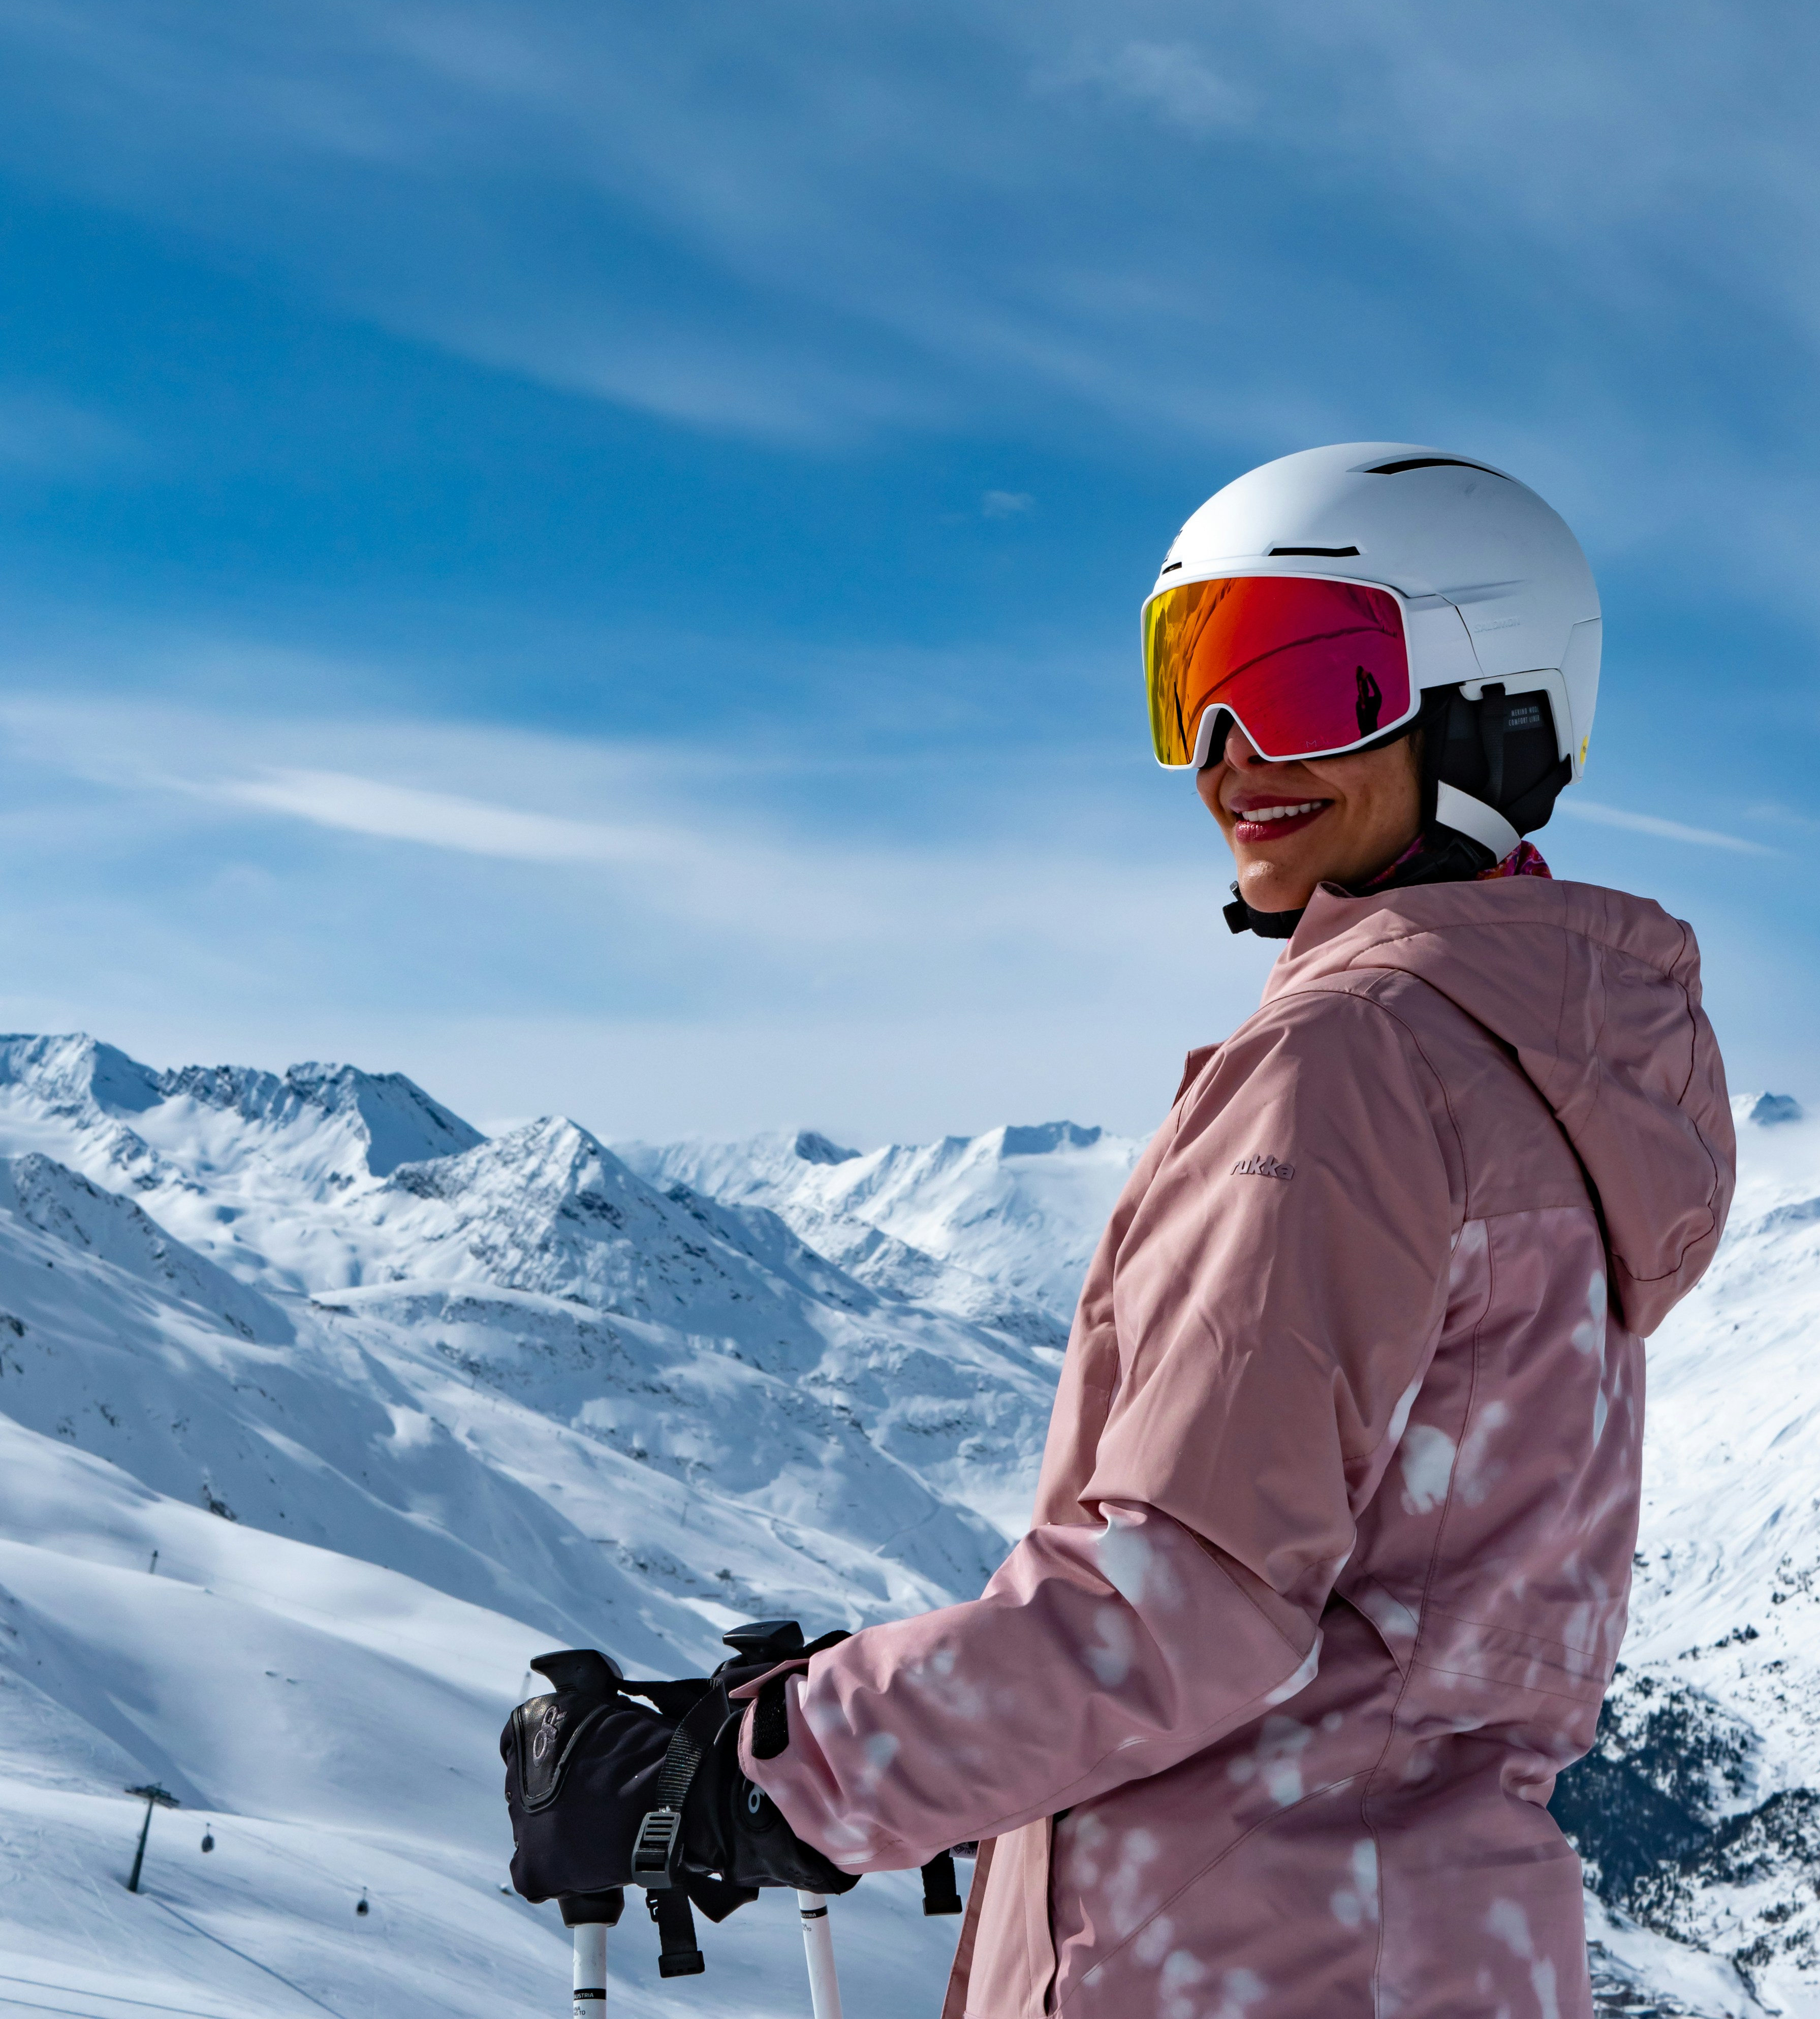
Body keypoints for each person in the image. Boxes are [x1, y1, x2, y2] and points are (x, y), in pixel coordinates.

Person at [688, 443, 1736, 2019]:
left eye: (1303, 681)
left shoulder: (1356, 1062)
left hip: (1243, 1965)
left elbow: (1176, 1610)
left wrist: (760, 1770)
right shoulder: (1554, 1066)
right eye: (1194, 685)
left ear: (1489, 706)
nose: (1230, 755)